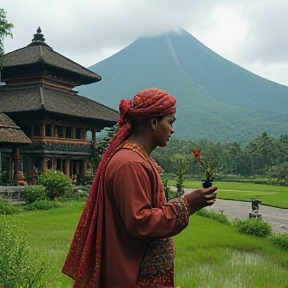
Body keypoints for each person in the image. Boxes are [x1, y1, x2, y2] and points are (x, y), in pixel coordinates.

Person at [62, 88, 217, 288]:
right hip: (136, 276)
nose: (172, 130)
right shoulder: (131, 164)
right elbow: (140, 222)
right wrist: (186, 205)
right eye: (170, 122)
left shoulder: (135, 159)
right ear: (153, 122)